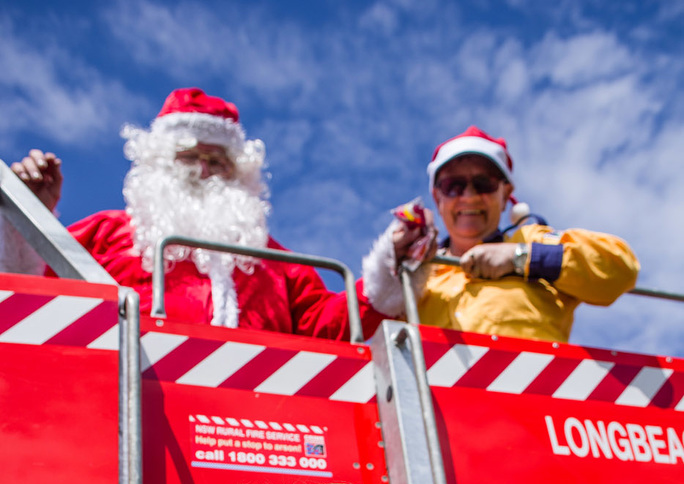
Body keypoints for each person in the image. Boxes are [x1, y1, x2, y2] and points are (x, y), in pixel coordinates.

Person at [2, 88, 386, 340]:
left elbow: (327, 325)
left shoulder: (277, 263)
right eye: (187, 157)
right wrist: (27, 219)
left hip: (258, 433)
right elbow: (32, 292)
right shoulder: (107, 232)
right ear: (158, 162)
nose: (202, 170)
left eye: (216, 161)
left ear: (239, 173)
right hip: (117, 414)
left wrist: (385, 276)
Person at [362, 126, 640, 345]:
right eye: (453, 185)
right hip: (434, 414)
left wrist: (521, 258)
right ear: (437, 196)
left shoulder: (531, 240)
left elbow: (619, 268)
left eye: (483, 184)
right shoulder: (416, 274)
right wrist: (393, 263)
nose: (469, 197)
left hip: (530, 413)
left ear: (506, 193)